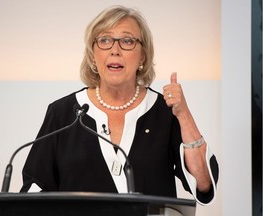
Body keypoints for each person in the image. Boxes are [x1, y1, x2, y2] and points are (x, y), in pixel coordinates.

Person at [20, 5, 219, 205]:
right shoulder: (63, 113)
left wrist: (183, 114)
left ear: (142, 55)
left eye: (127, 41)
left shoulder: (164, 112)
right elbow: (35, 186)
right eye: (105, 40)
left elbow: (203, 184)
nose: (115, 50)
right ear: (92, 55)